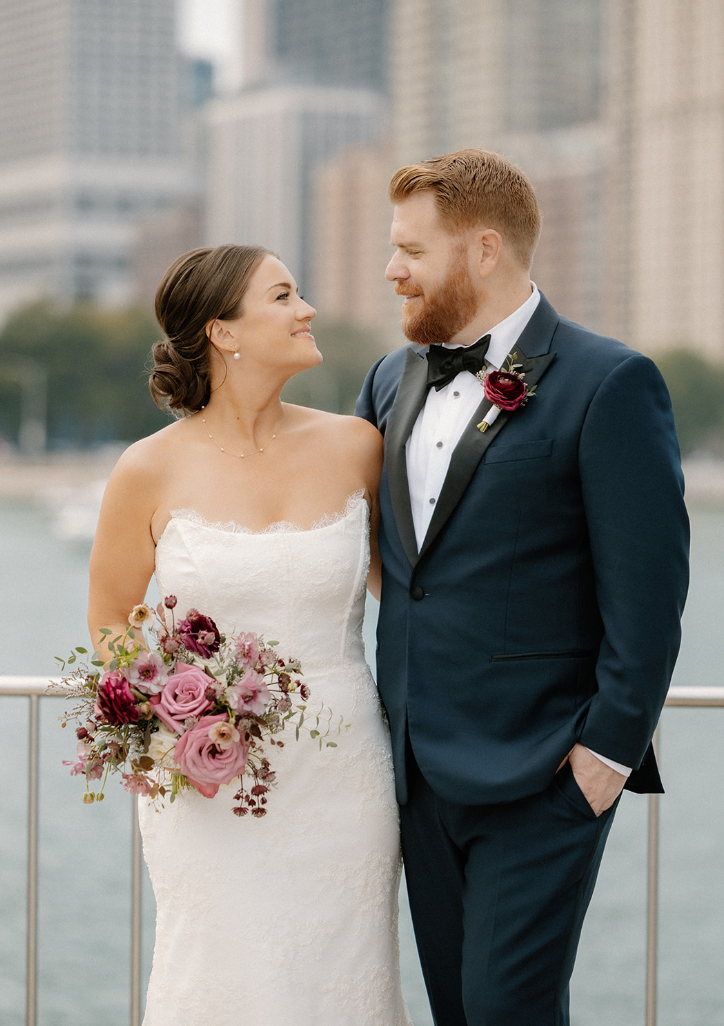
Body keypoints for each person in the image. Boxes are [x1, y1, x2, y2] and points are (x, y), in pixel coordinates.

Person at [355, 148, 689, 1026]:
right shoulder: (391, 378)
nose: (392, 270)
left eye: (411, 251)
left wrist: (604, 758)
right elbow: (392, 564)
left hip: (543, 770)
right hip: (414, 768)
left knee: (510, 1010)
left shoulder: (609, 381)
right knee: (458, 1010)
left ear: (484, 249)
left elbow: (649, 597)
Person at [87, 244, 412, 1026]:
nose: (306, 310)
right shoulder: (147, 469)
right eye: (283, 296)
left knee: (344, 975)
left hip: (344, 774)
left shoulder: (357, 446)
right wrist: (179, 716)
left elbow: (414, 597)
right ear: (223, 332)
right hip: (210, 780)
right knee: (219, 973)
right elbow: (109, 625)